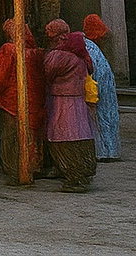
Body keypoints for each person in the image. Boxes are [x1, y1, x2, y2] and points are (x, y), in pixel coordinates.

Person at [0, 19, 46, 185]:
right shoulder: (36, 53)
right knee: (31, 134)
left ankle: (17, 171)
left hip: (12, 102)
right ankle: (33, 168)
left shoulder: (9, 50)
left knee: (13, 137)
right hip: (35, 102)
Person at [43, 23, 97, 192]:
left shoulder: (59, 56)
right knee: (80, 137)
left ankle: (74, 178)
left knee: (63, 139)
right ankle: (81, 174)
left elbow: (47, 74)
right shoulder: (80, 54)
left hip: (62, 103)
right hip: (78, 103)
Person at [83, 14, 121, 161]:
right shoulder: (89, 48)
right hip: (97, 90)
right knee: (100, 120)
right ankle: (105, 151)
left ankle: (108, 150)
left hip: (103, 90)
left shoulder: (92, 48)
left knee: (106, 119)